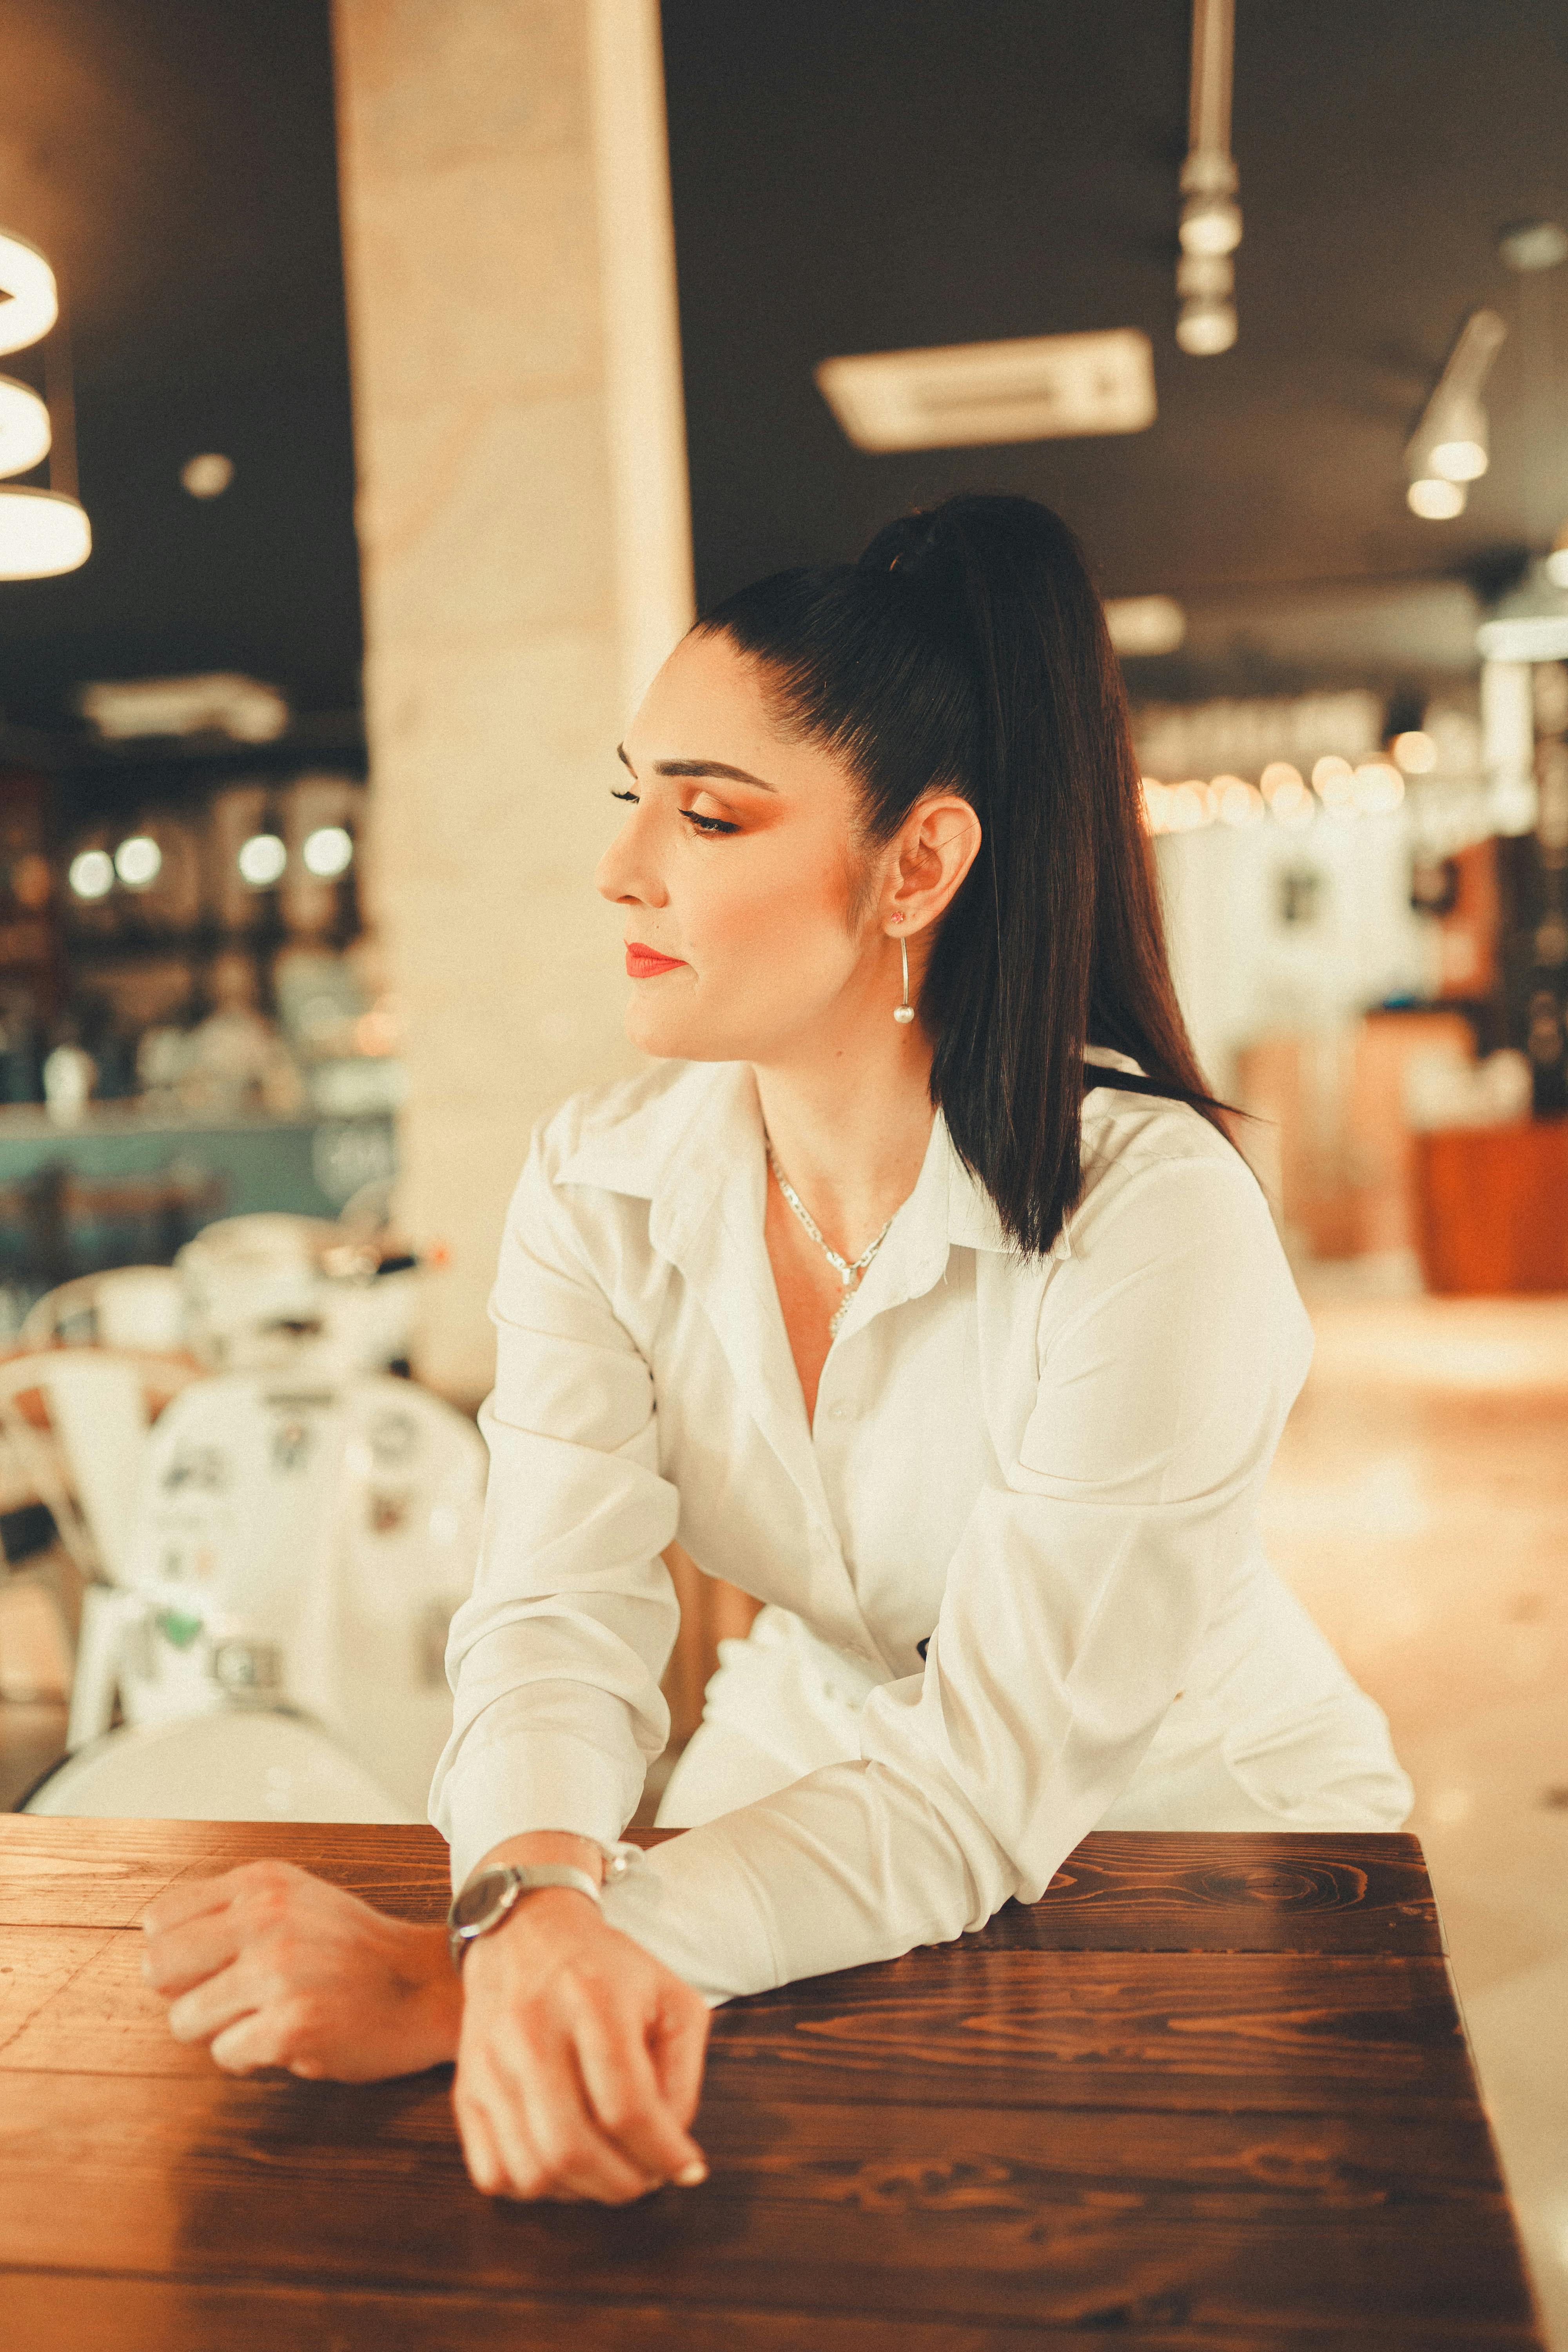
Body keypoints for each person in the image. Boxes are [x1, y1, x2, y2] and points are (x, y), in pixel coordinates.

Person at [140, 494, 1413, 2205]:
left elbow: (985, 1777)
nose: (622, 867)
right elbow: (555, 1609)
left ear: (917, 866)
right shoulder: (599, 1181)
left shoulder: (1151, 1217)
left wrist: (457, 1979)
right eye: (631, 795)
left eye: (711, 815)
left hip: (1198, 1830)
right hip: (805, 1771)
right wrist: (531, 1902)